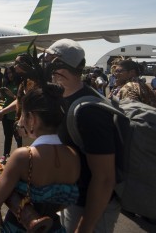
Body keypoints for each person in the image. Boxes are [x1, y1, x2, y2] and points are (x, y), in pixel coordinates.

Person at [45, 39, 121, 232]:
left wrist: (85, 227)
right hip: (72, 199)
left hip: (90, 207)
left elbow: (104, 178)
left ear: (58, 63)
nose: (44, 64)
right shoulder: (63, 98)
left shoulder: (89, 111)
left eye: (48, 59)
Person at [0, 83, 80, 232]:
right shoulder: (73, 156)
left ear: (32, 118)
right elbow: (66, 202)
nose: (20, 121)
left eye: (23, 115)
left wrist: (1, 226)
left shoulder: (23, 156)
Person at [0, 66, 22, 161]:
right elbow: (3, 98)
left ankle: (21, 156)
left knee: (18, 137)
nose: (10, 75)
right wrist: (1, 93)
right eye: (8, 73)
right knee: (7, 136)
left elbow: (20, 100)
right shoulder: (7, 83)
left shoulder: (20, 84)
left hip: (16, 115)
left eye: (11, 72)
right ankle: (5, 155)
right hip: (6, 114)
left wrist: (12, 95)